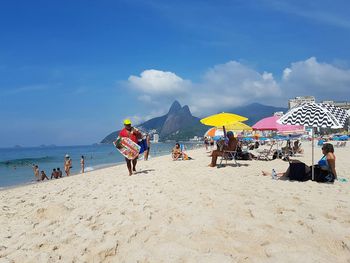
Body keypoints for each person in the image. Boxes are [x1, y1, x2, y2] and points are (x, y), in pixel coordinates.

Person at [262, 143, 337, 182]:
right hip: (316, 171)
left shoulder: (330, 155)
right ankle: (273, 174)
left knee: (296, 163)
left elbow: (333, 168)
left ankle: (277, 175)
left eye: (322, 148)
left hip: (319, 174)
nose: (322, 150)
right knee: (294, 165)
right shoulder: (327, 155)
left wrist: (335, 178)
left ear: (326, 149)